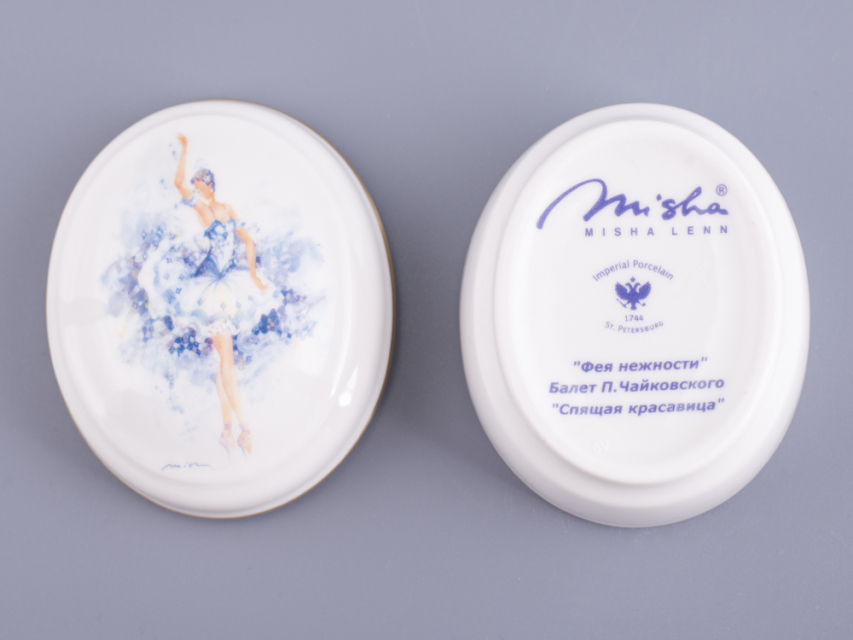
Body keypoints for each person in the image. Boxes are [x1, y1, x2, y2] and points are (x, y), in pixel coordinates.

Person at [164, 134, 274, 455]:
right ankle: (244, 430)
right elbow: (177, 182)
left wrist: (253, 276)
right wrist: (185, 148)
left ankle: (228, 431)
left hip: (228, 283)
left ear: (209, 184)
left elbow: (248, 241)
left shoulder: (226, 208)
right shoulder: (202, 210)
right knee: (226, 360)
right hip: (209, 285)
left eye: (199, 184)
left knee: (224, 361)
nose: (195, 189)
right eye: (194, 186)